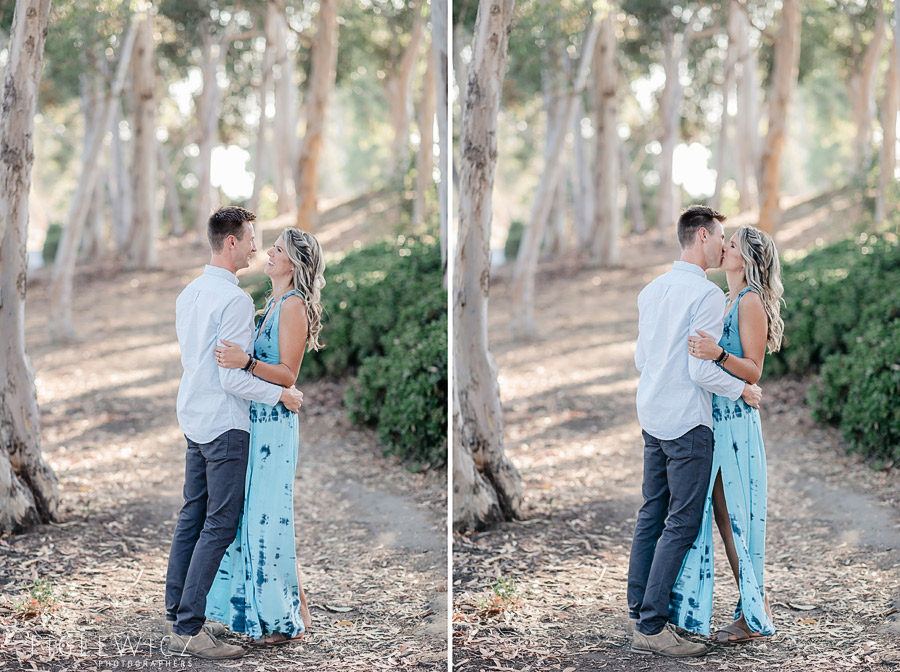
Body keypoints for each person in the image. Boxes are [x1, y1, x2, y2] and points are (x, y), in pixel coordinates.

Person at [163, 206, 305, 660]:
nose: (254, 247)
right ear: (231, 242)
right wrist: (278, 396)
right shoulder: (238, 301)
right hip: (226, 423)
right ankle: (188, 628)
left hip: (194, 417)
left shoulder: (190, 293)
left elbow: (199, 364)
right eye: (249, 239)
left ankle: (176, 616)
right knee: (220, 524)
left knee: (192, 518)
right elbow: (231, 377)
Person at [627, 205, 762, 658]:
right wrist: (742, 390)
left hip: (652, 415)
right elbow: (701, 372)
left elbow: (642, 361)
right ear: (702, 236)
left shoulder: (652, 290)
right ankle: (651, 626)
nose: (725, 245)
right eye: (721, 237)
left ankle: (638, 613)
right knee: (682, 522)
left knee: (651, 515)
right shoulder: (704, 295)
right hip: (687, 421)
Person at [205, 227, 325, 646]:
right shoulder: (272, 303)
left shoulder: (293, 306)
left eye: (278, 249)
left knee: (266, 520)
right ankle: (294, 610)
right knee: (261, 519)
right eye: (271, 247)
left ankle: (279, 621)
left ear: (295, 263)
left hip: (274, 427)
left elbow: (289, 375)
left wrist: (245, 362)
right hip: (257, 421)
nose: (268, 253)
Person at [670, 225, 784, 644]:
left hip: (737, 421)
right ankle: (750, 606)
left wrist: (716, 353)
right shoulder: (724, 298)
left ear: (747, 258)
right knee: (718, 514)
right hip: (714, 417)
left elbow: (753, 369)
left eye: (731, 243)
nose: (724, 246)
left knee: (736, 515)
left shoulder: (750, 301)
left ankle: (755, 613)